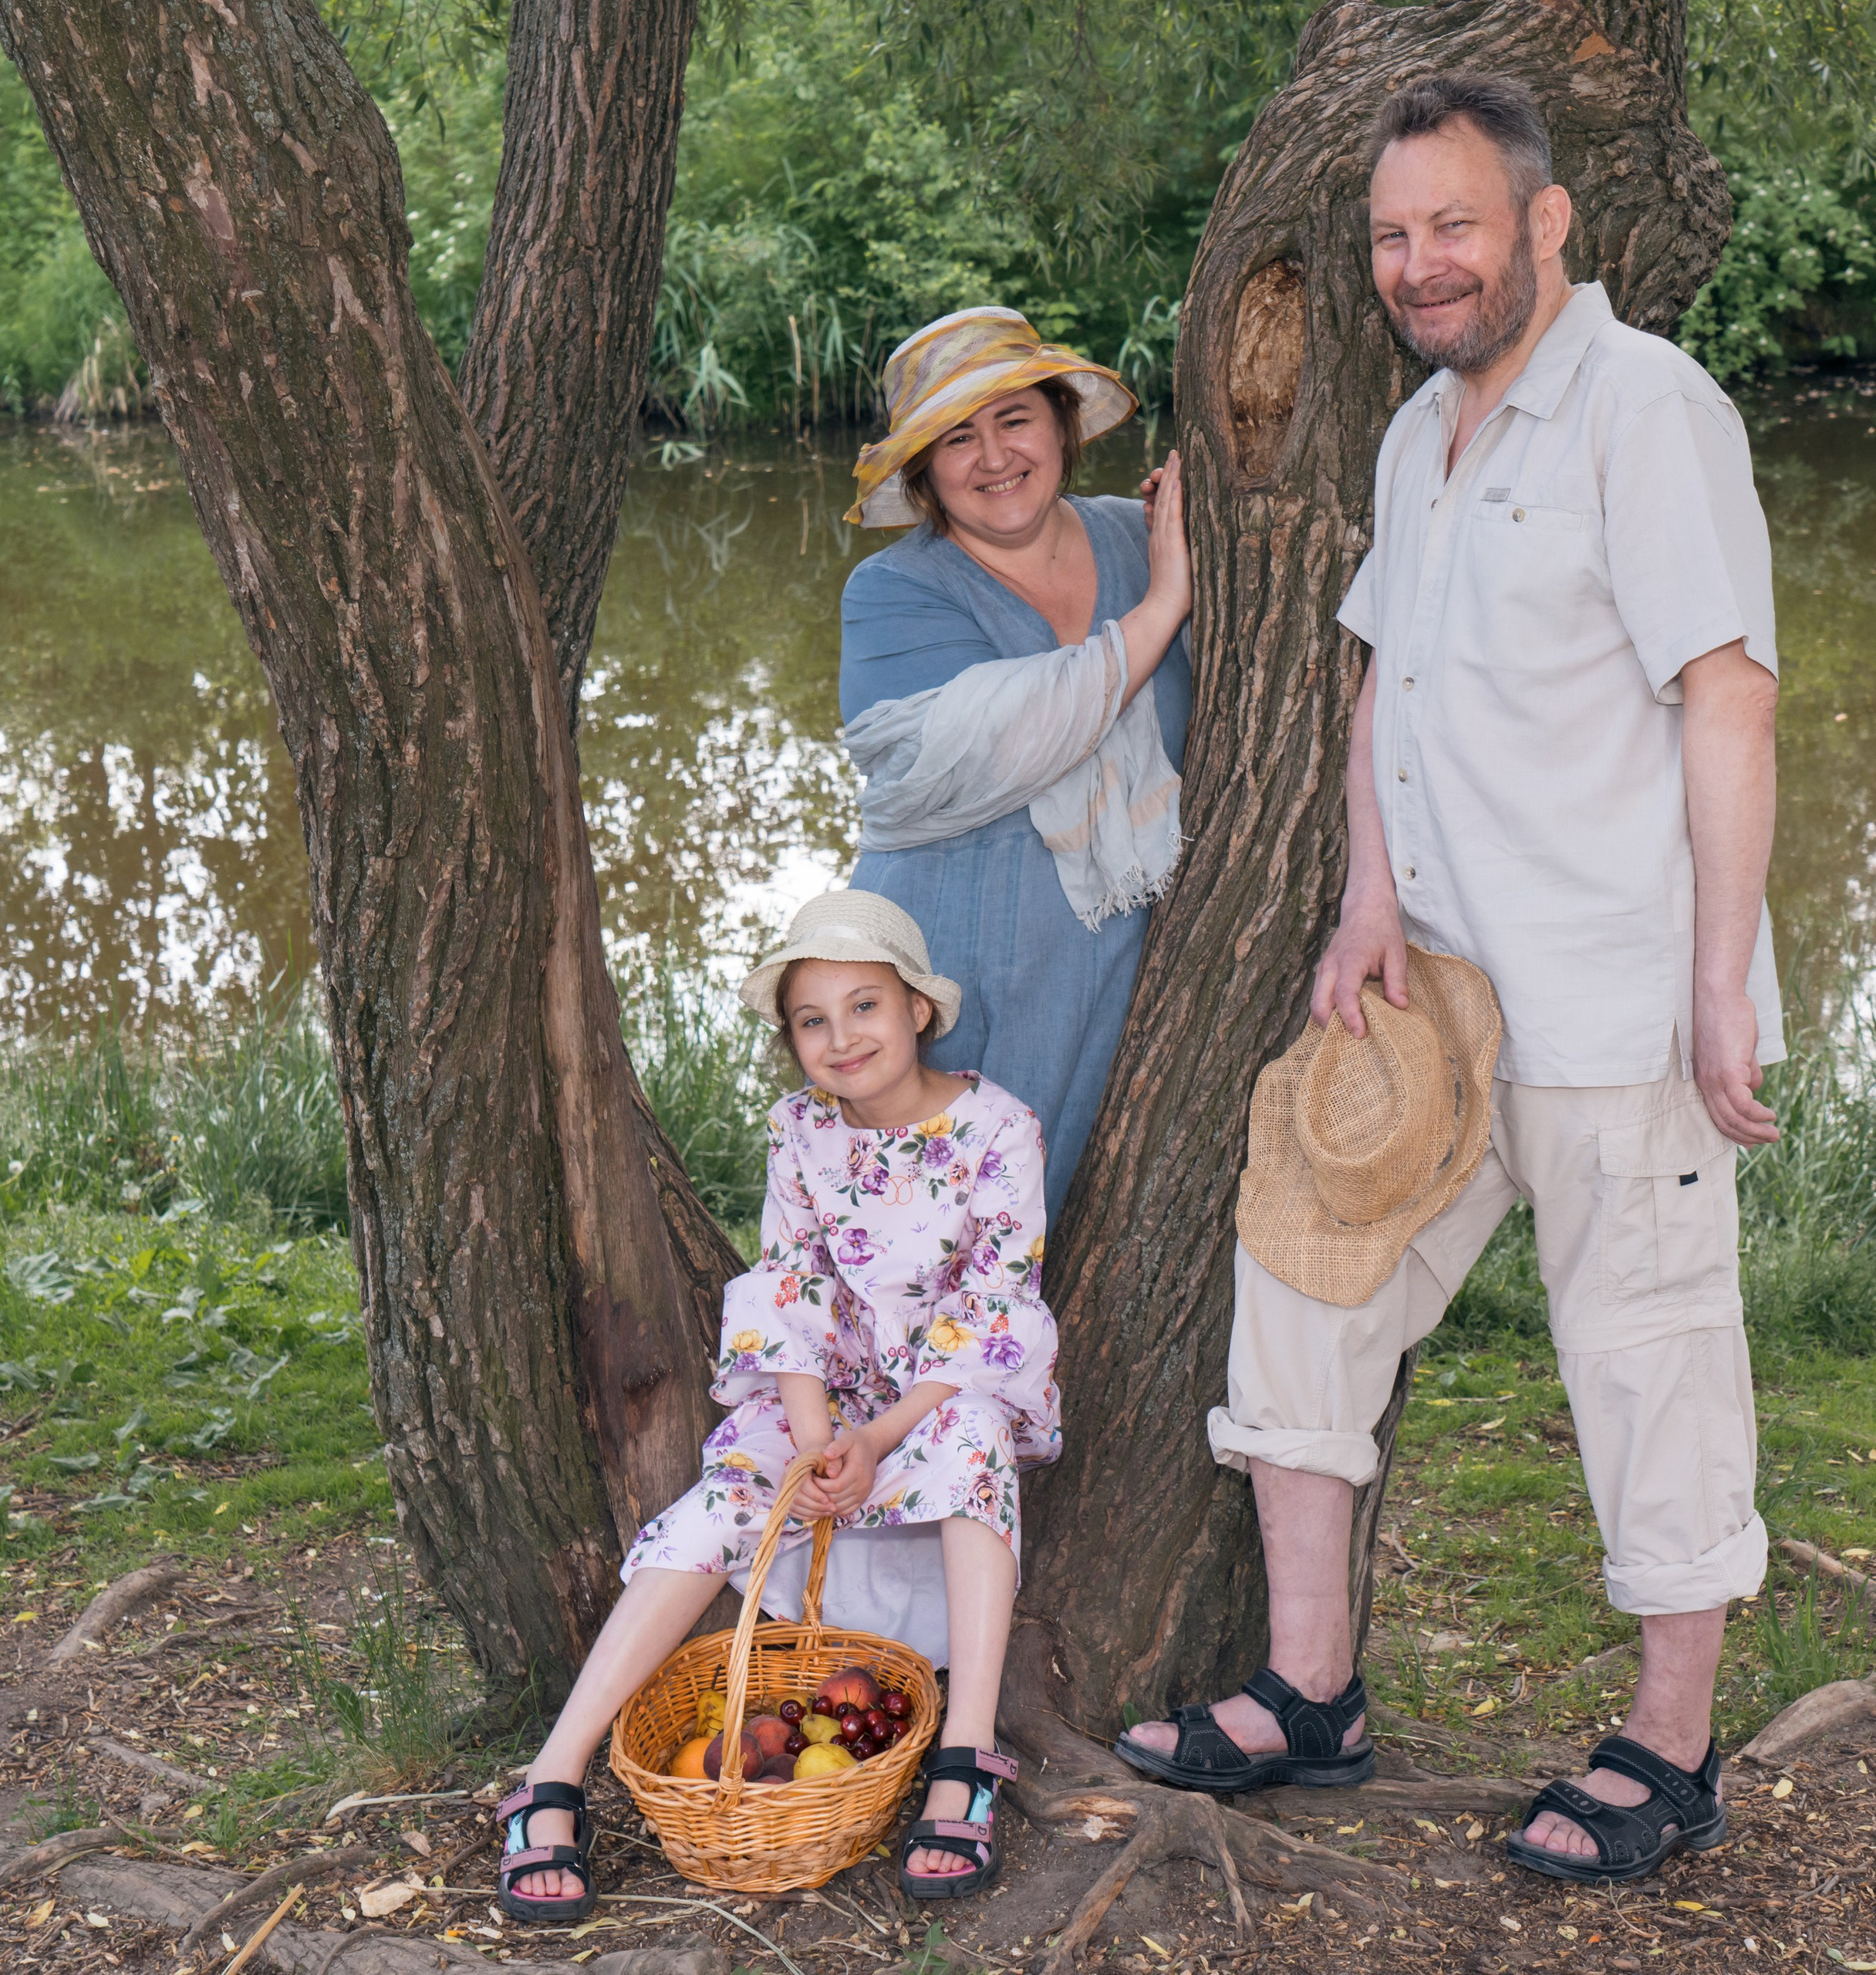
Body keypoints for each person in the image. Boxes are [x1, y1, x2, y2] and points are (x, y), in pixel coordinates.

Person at [1120, 73, 1785, 1886]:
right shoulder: (1415, 436)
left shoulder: (1641, 413)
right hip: (1435, 989)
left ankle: (1669, 1742)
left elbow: (1726, 690)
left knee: (1642, 1356)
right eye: (1391, 236)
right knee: (1301, 1269)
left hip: (1614, 994)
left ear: (1543, 225)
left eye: (1451, 226)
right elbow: (1373, 685)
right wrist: (1359, 898)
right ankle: (1308, 1687)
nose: (1419, 262)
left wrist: (1714, 983)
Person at [498, 892, 1060, 1917]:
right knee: (722, 1502)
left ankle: (966, 1752)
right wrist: (815, 1442)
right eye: (812, 1020)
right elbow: (790, 1283)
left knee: (974, 1443)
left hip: (939, 1391)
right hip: (825, 1392)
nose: (841, 1039)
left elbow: (993, 1306)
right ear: (791, 1038)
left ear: (917, 1011)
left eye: (865, 1007)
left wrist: (881, 1437)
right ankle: (552, 1773)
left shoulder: (998, 1128)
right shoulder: (800, 1130)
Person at [839, 306, 1193, 1222]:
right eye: (956, 437)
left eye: (1014, 419)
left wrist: (1199, 550)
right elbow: (1017, 734)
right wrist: (1164, 608)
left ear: (1061, 424)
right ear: (923, 470)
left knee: (1072, 1252)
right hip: (946, 985)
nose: (993, 457)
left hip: (1111, 981)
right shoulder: (892, 594)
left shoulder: (1138, 538)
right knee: (923, 1245)